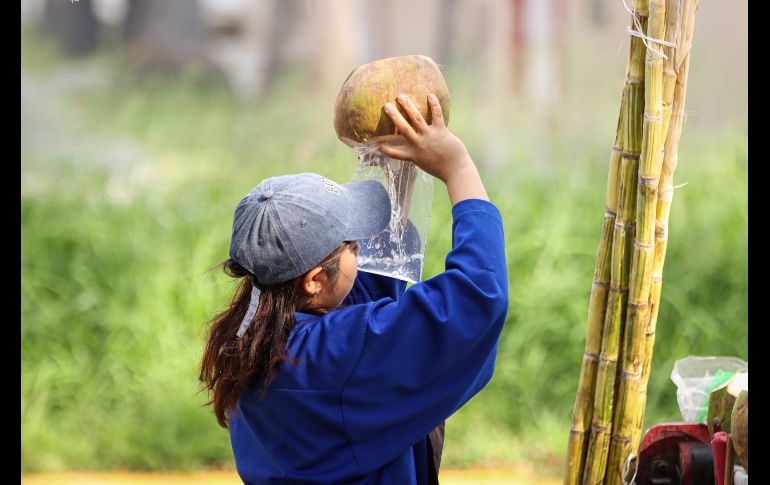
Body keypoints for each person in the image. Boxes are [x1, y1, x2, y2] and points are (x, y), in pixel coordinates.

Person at [199, 93, 509, 484]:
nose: (362, 247)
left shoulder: (249, 337)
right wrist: (459, 168)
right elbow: (474, 299)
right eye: (352, 245)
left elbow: (370, 290)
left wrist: (399, 173)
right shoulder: (335, 354)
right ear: (314, 281)